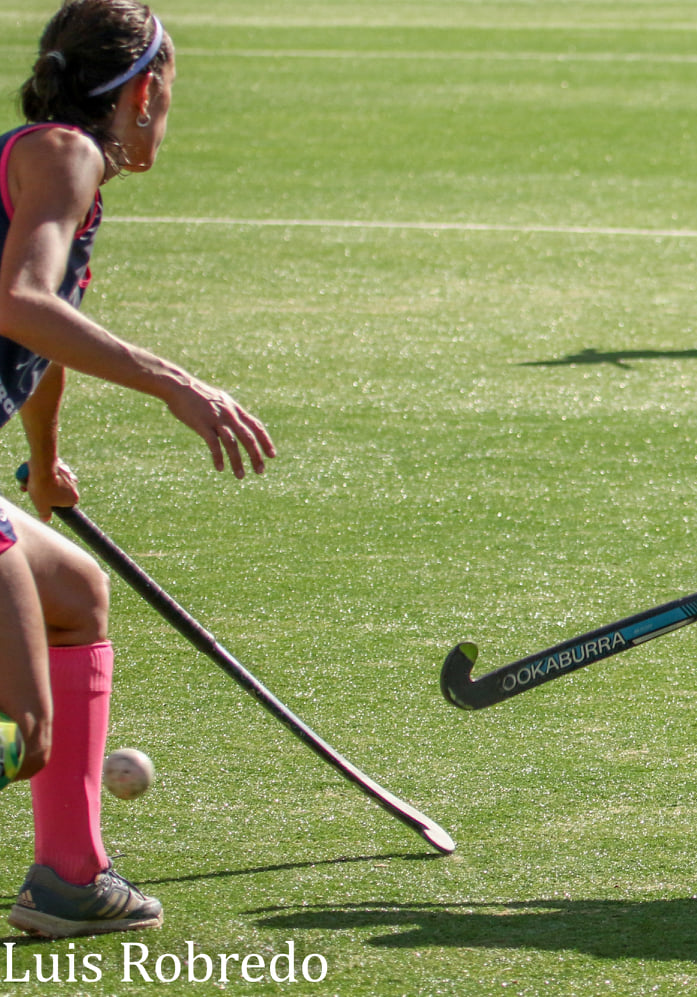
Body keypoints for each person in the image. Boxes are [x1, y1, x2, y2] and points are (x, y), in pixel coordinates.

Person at [0, 0, 275, 937]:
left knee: (74, 589)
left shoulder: (48, 163)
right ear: (146, 91)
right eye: (169, 98)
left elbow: (39, 330)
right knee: (23, 734)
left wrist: (43, 461)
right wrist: (175, 384)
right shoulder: (65, 157)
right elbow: (24, 301)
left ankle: (70, 876)